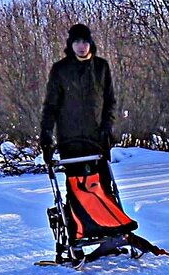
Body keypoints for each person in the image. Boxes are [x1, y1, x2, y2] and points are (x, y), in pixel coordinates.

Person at [39, 23, 118, 198]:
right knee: (76, 190)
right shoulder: (60, 70)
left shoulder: (101, 67)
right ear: (70, 44)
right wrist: (46, 133)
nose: (81, 46)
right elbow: (51, 106)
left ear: (90, 43)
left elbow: (110, 102)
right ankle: (77, 222)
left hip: (96, 139)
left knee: (104, 188)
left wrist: (107, 128)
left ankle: (109, 223)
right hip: (70, 140)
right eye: (77, 42)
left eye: (84, 42)